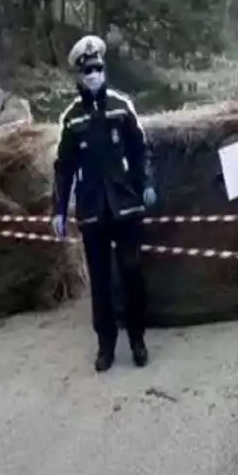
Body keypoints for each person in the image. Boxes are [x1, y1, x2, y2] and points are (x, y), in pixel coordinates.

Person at [51, 35, 158, 373]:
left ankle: (137, 340)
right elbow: (63, 166)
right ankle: (106, 345)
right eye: (88, 71)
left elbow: (139, 149)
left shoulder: (121, 106)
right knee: (99, 282)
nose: (94, 75)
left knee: (131, 273)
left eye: (98, 69)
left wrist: (147, 184)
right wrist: (58, 210)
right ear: (79, 76)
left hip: (125, 204)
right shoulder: (71, 119)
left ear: (104, 70)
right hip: (93, 209)